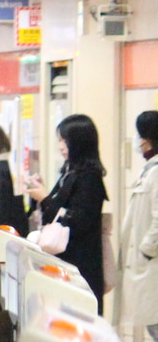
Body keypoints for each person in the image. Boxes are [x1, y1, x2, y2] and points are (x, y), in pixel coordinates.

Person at [25, 113, 108, 313]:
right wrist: (42, 193)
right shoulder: (70, 171)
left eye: (65, 141)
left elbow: (77, 221)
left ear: (79, 142)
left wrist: (44, 198)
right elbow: (58, 209)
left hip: (81, 265)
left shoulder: (89, 177)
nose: (61, 146)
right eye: (60, 141)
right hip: (64, 262)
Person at [124, 111, 158, 342]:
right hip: (147, 264)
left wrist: (147, 249)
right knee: (154, 326)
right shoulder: (150, 169)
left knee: (157, 326)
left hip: (153, 264)